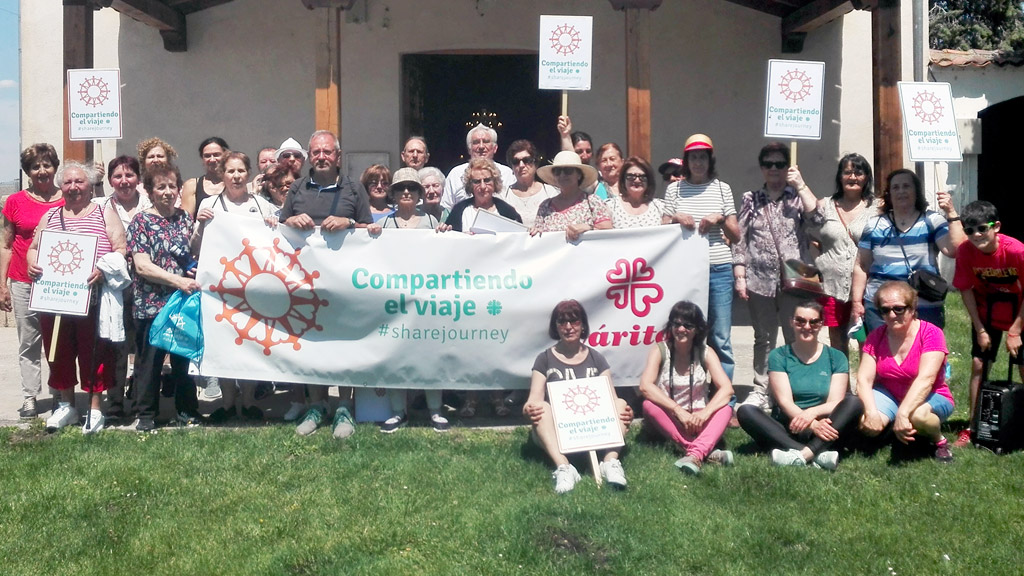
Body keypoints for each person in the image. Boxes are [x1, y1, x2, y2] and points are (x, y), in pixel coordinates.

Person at [279, 130, 372, 438]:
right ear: (309, 156)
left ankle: (344, 407)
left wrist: (350, 224)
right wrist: (290, 222)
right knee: (312, 344)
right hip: (304, 284)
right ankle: (317, 405)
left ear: (338, 156)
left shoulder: (354, 188)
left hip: (345, 284)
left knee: (344, 343)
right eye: (316, 152)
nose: (321, 157)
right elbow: (279, 230)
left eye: (327, 152)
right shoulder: (297, 188)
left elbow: (370, 232)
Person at [26, 161, 127, 433]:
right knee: (58, 351)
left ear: (90, 185)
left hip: (91, 298)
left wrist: (103, 270)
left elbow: (120, 249)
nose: (73, 188)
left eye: (79, 182)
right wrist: (32, 262)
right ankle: (67, 406)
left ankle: (95, 410)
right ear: (61, 186)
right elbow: (34, 248)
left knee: (93, 352)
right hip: (56, 299)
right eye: (68, 182)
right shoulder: (51, 216)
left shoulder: (104, 213)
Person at [733, 142, 819, 412]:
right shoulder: (751, 199)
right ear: (761, 168)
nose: (774, 168)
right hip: (759, 279)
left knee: (796, 333)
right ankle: (762, 388)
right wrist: (740, 273)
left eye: (779, 163)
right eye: (768, 164)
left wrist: (801, 184)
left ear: (787, 167)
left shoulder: (797, 197)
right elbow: (740, 237)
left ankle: (793, 387)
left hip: (794, 280)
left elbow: (817, 218)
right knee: (763, 337)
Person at [191, 152, 277, 421]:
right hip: (220, 287)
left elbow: (277, 246)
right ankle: (227, 405)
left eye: (241, 171)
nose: (236, 176)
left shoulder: (263, 206)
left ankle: (249, 402)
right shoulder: (209, 204)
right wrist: (201, 225)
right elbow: (195, 248)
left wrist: (275, 225)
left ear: (249, 174)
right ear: (223, 175)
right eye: (231, 171)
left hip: (253, 286)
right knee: (224, 343)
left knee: (250, 343)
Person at [366, 169, 448, 433]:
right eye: (401, 189)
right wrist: (371, 235)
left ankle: (435, 409)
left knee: (429, 355)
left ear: (419, 193)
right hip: (395, 301)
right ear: (393, 193)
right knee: (394, 354)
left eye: (411, 189)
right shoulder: (386, 224)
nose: (406, 193)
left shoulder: (432, 223)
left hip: (426, 301)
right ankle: (398, 411)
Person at [737, 301, 863, 469]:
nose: (807, 326)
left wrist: (812, 415)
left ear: (821, 324)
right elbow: (784, 402)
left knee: (854, 402)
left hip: (826, 425)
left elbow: (835, 402)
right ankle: (818, 454)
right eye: (800, 321)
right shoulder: (779, 356)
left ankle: (802, 455)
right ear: (791, 322)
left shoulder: (836, 357)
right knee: (746, 411)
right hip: (791, 425)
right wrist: (811, 424)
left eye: (813, 322)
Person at [525, 300, 632, 493]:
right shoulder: (544, 359)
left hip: (593, 431)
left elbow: (611, 398)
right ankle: (565, 468)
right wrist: (530, 409)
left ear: (583, 325)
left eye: (574, 321)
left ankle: (609, 462)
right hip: (558, 433)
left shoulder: (596, 358)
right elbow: (533, 398)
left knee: (621, 403)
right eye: (562, 322)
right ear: (555, 327)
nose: (568, 327)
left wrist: (626, 413)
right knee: (542, 407)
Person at [126, 163, 202, 432]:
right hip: (151, 305)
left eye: (172, 186)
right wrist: (178, 281)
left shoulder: (183, 218)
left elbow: (192, 251)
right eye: (161, 187)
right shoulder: (140, 222)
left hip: (182, 305)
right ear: (149, 191)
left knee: (182, 361)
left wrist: (201, 227)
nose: (167, 192)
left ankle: (187, 411)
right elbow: (142, 266)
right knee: (149, 363)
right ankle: (145, 415)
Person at [663, 134, 740, 381]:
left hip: (719, 268)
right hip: (686, 271)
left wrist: (721, 218)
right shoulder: (674, 189)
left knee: (720, 336)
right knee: (686, 332)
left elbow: (736, 235)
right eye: (694, 157)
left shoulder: (722, 188)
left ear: (710, 160)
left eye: (703, 157)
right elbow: (661, 229)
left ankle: (723, 393)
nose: (698, 162)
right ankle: (688, 386)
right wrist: (676, 218)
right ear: (686, 161)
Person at [851, 169, 965, 333]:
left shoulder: (932, 220)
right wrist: (856, 302)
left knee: (924, 355)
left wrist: (951, 212)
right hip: (882, 306)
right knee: (884, 356)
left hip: (922, 304)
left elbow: (954, 249)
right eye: (896, 187)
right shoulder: (874, 225)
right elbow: (862, 266)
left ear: (916, 191)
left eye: (906, 186)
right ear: (889, 194)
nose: (901, 191)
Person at [951, 201, 1024, 447]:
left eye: (982, 228)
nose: (976, 235)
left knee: (1023, 362)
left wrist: (1015, 330)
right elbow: (965, 289)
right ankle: (972, 426)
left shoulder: (1016, 251)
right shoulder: (965, 251)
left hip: (1020, 310)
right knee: (978, 363)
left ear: (997, 227)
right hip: (987, 311)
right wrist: (980, 329)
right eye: (969, 230)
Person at [857, 281, 955, 462]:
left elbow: (926, 379)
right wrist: (871, 412)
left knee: (918, 417)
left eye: (898, 309)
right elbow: (863, 379)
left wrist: (903, 413)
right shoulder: (876, 336)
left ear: (912, 308)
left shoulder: (931, 333)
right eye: (885, 310)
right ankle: (894, 429)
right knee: (866, 424)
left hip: (931, 393)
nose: (892, 315)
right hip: (890, 393)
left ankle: (939, 441)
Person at [1, 143, 64, 419]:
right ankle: (30, 396)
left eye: (47, 165)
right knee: (29, 341)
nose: (42, 171)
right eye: (35, 166)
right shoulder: (14, 202)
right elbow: (5, 244)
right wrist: (1, 284)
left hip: (60, 284)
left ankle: (61, 393)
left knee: (59, 340)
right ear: (28, 171)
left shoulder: (68, 198)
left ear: (55, 167)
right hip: (23, 280)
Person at [639, 301, 735, 475]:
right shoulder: (660, 350)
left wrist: (704, 414)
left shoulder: (705, 352)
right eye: (676, 324)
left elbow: (727, 389)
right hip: (671, 417)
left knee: (726, 409)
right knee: (648, 405)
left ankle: (694, 454)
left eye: (687, 325)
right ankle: (702, 451)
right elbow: (645, 386)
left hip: (699, 418)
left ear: (697, 329)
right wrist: (678, 411)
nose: (681, 329)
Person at [98, 155, 151, 422]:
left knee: (143, 344)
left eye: (129, 175)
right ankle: (115, 401)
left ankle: (142, 402)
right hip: (115, 288)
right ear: (110, 181)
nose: (124, 181)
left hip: (148, 285)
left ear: (138, 179)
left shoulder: (150, 204)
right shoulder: (102, 207)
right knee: (116, 344)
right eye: (118, 176)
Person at [806, 153, 875, 356]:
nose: (852, 177)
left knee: (866, 339)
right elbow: (811, 235)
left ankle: (864, 385)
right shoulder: (826, 205)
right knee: (837, 339)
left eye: (858, 172)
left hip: (866, 286)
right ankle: (842, 386)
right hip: (832, 285)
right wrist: (819, 262)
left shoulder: (877, 208)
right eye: (847, 172)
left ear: (866, 177)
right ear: (840, 176)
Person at [532, 151, 611, 242]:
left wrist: (588, 228)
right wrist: (535, 232)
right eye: (557, 171)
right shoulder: (545, 206)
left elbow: (607, 233)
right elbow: (537, 236)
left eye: (568, 171)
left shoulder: (593, 202)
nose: (562, 175)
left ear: (579, 175)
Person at [440, 124, 515, 211]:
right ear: (469, 149)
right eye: (476, 142)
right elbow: (446, 208)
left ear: (495, 148)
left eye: (486, 141)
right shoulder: (455, 174)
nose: (481, 146)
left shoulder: (507, 173)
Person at [442, 157, 522, 233]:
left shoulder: (507, 211)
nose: (483, 186)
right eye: (477, 182)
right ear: (470, 185)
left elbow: (519, 238)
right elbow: (450, 239)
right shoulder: (459, 210)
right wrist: (444, 230)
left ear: (495, 182)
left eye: (487, 180)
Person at [497, 139, 558, 228]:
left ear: (535, 163)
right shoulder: (503, 196)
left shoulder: (550, 192)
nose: (521, 165)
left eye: (526, 160)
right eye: (516, 162)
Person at [608, 156, 668, 228]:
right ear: (623, 180)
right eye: (631, 176)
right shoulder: (611, 206)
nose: (637, 180)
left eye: (642, 177)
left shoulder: (660, 207)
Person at [180, 136, 229, 217]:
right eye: (207, 156)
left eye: (216, 155)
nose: (212, 159)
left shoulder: (233, 183)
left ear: (225, 156)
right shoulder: (192, 185)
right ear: (202, 159)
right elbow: (187, 220)